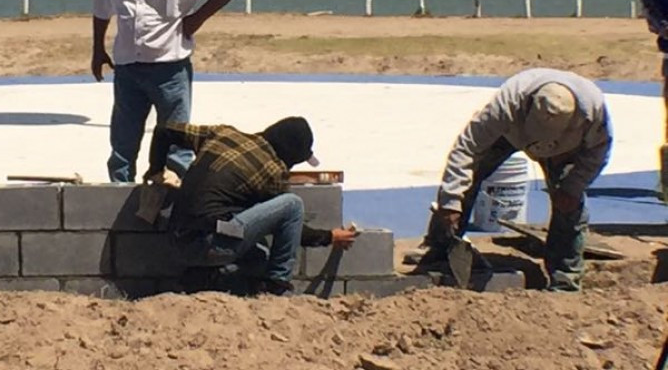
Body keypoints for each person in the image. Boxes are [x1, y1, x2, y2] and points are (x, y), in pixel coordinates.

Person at [407, 68, 612, 292]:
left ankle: (566, 279)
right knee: (468, 177)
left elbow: (598, 153)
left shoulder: (594, 113)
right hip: (511, 132)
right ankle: (440, 246)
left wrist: (574, 186)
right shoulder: (508, 103)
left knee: (570, 202)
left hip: (564, 148)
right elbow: (466, 149)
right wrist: (451, 201)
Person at [91, 0, 246, 183]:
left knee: (177, 144)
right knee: (122, 144)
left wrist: (196, 19)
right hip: (127, 67)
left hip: (169, 67)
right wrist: (97, 49)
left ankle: (177, 202)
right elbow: (101, 8)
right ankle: (118, 197)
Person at [146, 116, 359, 295]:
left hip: (174, 239)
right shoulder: (273, 170)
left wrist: (156, 169)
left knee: (259, 258)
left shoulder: (223, 134)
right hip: (211, 244)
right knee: (292, 205)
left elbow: (165, 129)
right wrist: (330, 237)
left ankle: (201, 278)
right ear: (290, 154)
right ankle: (277, 283)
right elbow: (291, 228)